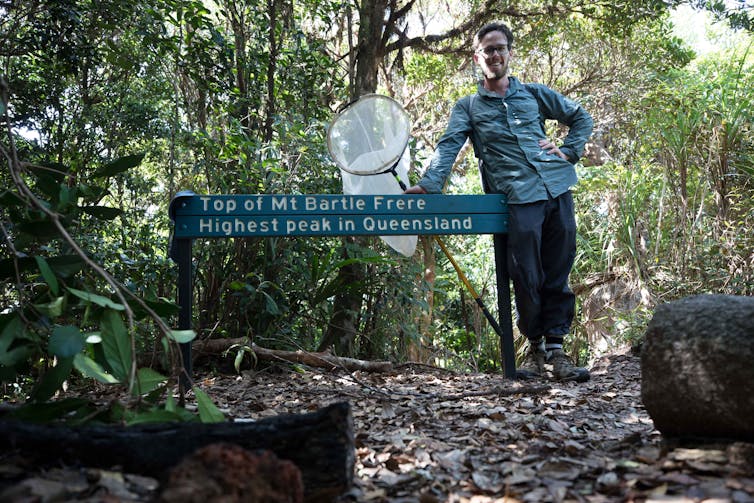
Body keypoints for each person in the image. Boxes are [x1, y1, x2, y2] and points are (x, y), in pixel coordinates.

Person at [404, 21, 593, 382]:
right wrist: (430, 184)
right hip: (518, 197)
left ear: (509, 53)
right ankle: (535, 350)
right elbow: (449, 146)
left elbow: (580, 117)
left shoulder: (534, 94)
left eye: (500, 47)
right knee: (525, 274)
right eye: (488, 49)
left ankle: (558, 352)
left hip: (556, 188)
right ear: (478, 57)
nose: (495, 54)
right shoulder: (470, 106)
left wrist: (568, 151)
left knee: (558, 270)